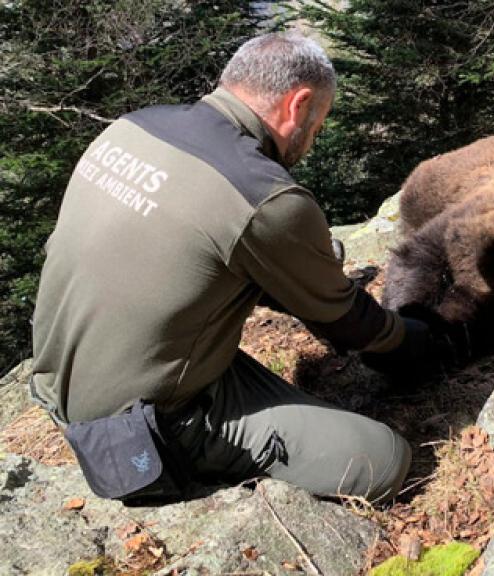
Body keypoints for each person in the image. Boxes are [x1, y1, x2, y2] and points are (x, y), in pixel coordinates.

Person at [30, 32, 434, 503]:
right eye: (319, 124)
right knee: (382, 458)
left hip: (60, 372)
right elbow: (344, 321)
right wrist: (420, 340)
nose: (314, 137)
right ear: (298, 105)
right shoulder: (261, 194)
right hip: (141, 425)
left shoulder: (132, 126)